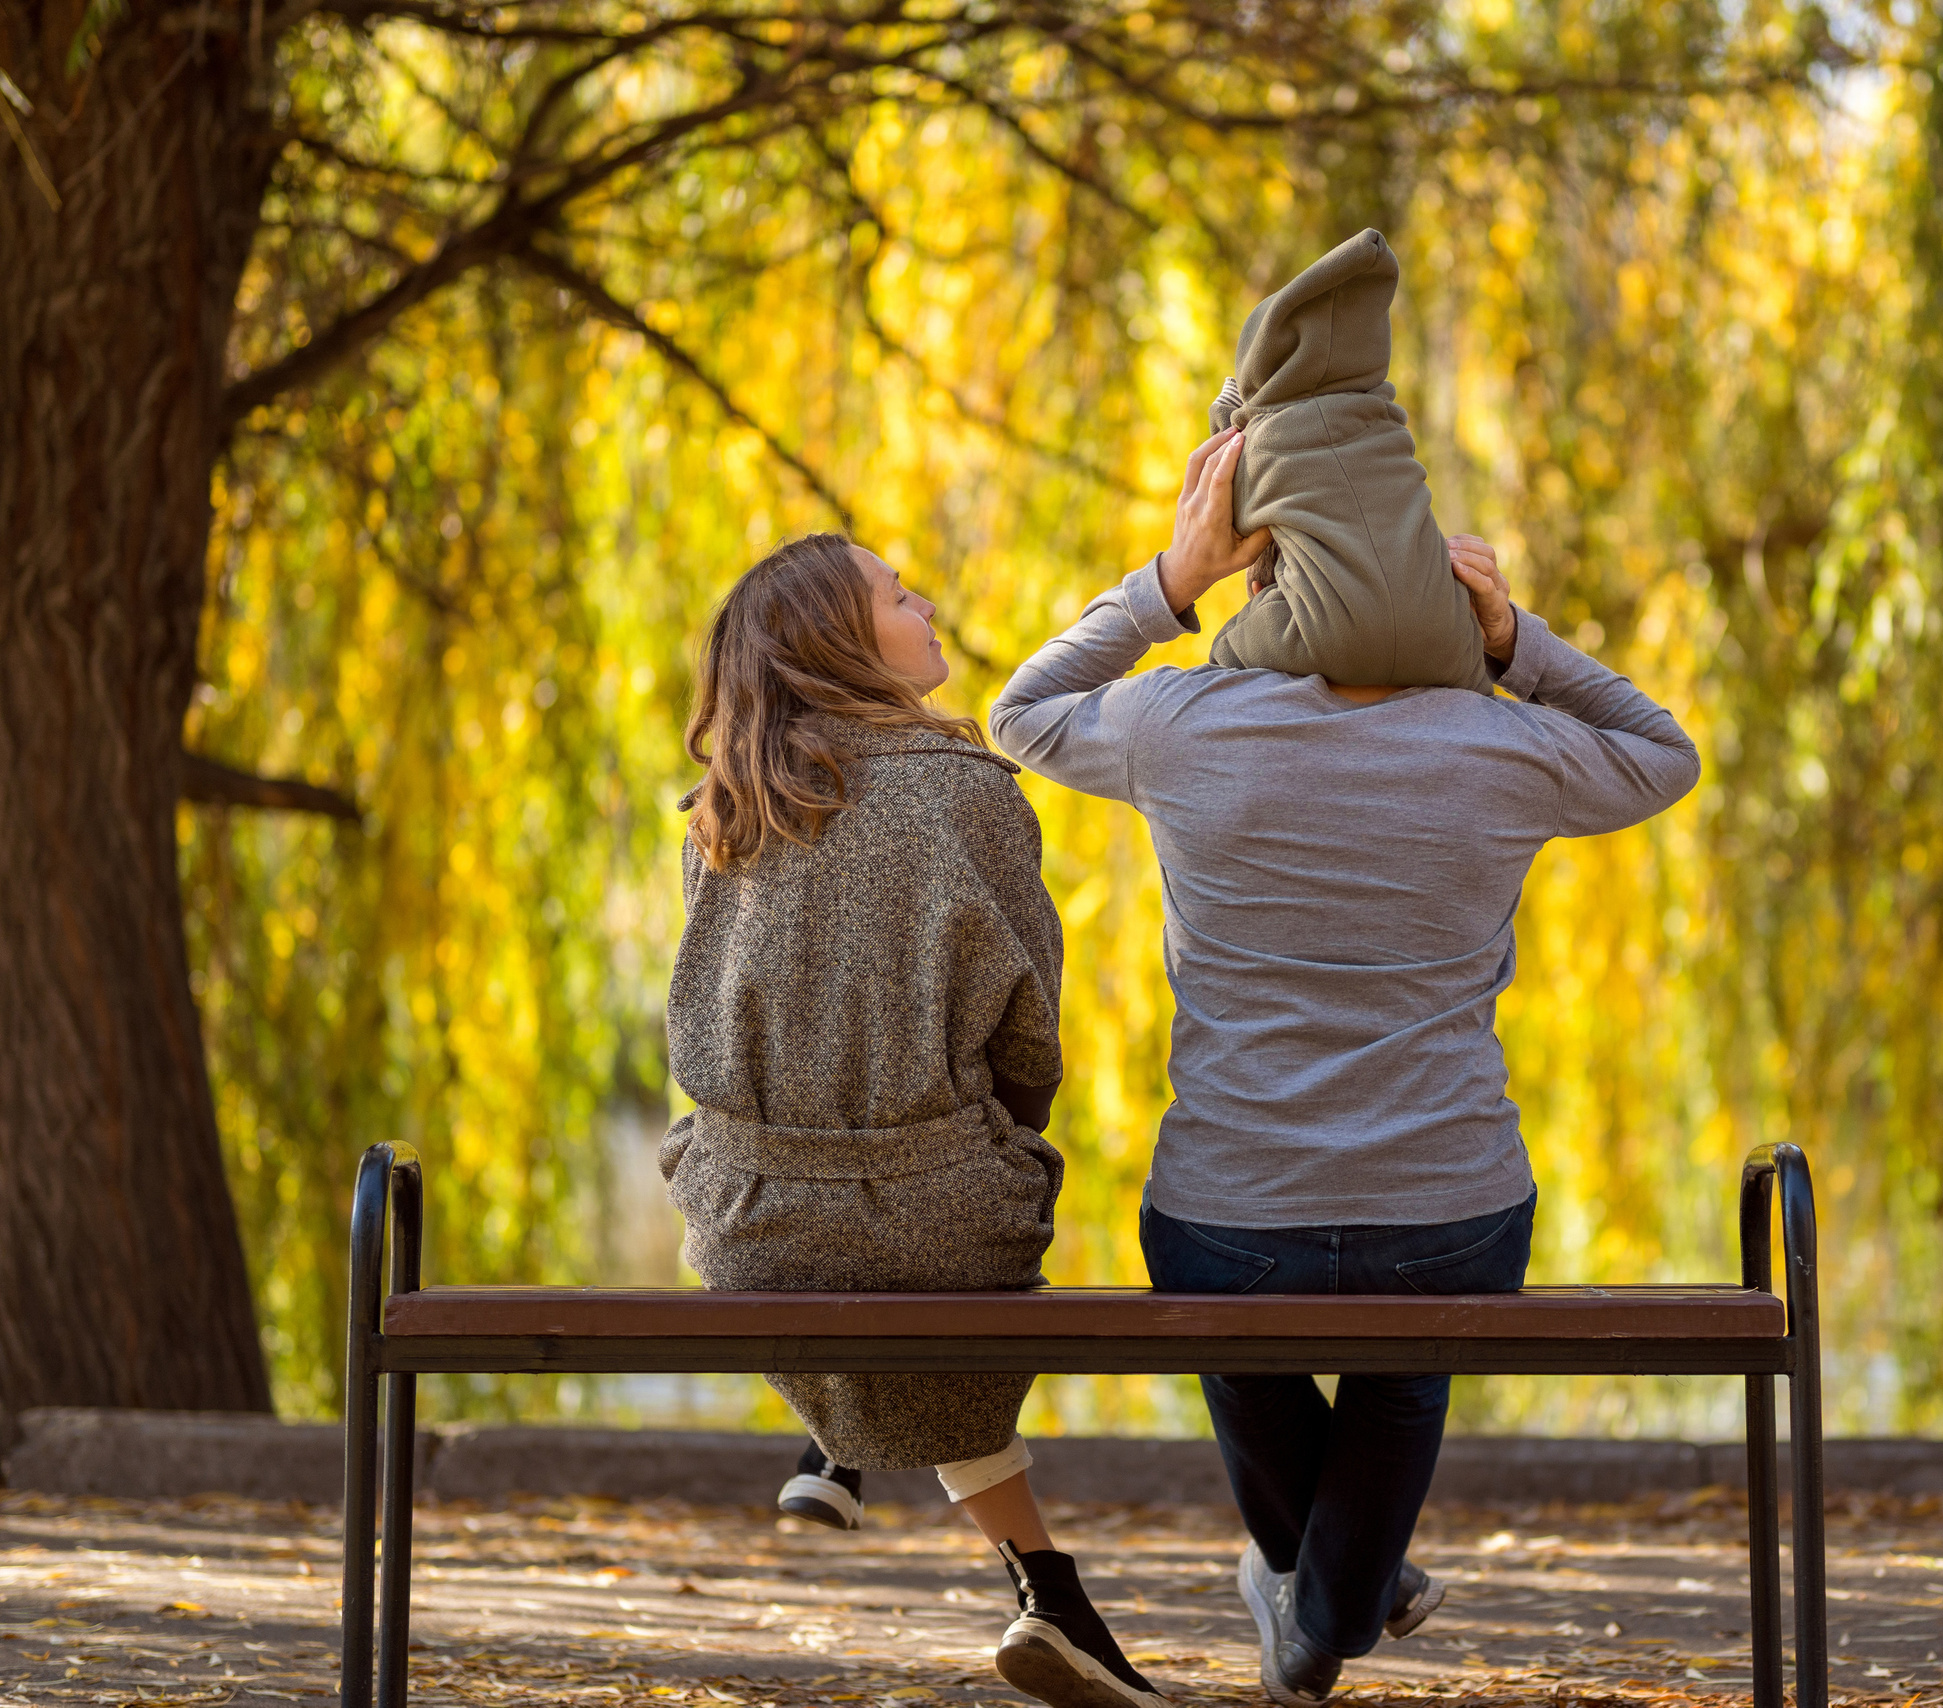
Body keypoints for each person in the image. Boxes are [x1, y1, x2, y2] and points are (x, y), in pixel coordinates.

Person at [989, 432, 1701, 1706]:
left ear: (1266, 582)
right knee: (1401, 1372)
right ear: (1419, 584)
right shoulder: (1499, 744)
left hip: (1228, 1215)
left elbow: (1020, 713)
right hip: (1448, 1214)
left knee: (1230, 1327)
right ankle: (1335, 1605)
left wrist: (1169, 580)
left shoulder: (1179, 723)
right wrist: (1512, 642)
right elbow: (1662, 751)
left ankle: (1321, 1610)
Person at [661, 533, 1166, 1708]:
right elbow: (1027, 1041)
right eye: (896, 594)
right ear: (838, 638)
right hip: (935, 1220)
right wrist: (1007, 1136)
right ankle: (1030, 1584)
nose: (926, 601)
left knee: (851, 1234)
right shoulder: (965, 790)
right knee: (945, 1212)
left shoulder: (723, 808)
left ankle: (861, 1465)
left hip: (747, 1222)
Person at [1204, 228, 1490, 695]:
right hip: (1443, 630)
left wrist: (1227, 416)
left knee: (1225, 653)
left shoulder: (1265, 444)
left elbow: (1221, 495)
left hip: (1326, 632)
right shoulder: (1385, 422)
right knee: (1470, 666)